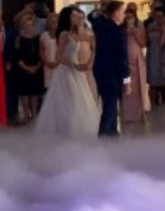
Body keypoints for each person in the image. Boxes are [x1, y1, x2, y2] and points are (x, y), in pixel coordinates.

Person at [35, 7, 100, 138]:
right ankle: (68, 130)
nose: (77, 18)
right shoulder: (64, 34)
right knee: (71, 101)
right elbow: (58, 57)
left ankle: (77, 129)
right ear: (67, 18)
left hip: (76, 71)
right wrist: (75, 65)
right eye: (74, 16)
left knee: (79, 100)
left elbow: (90, 38)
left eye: (77, 16)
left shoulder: (74, 33)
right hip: (66, 71)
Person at [92, 0, 130, 138]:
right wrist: (127, 80)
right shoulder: (118, 32)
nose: (124, 15)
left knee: (109, 103)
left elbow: (94, 18)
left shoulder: (99, 26)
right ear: (116, 13)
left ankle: (113, 133)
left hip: (99, 71)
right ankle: (103, 135)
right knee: (111, 105)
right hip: (113, 74)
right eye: (122, 11)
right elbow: (122, 58)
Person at [13, 14, 45, 122]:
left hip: (36, 68)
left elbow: (42, 54)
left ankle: (34, 114)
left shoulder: (39, 38)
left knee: (34, 93)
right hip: (23, 69)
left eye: (31, 25)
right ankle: (26, 114)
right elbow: (17, 56)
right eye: (26, 25)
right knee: (25, 93)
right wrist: (27, 68)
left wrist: (36, 67)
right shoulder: (18, 39)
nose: (29, 27)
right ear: (23, 26)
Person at [122, 7, 149, 122]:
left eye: (131, 16)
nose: (129, 19)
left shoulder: (140, 28)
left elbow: (143, 44)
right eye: (127, 16)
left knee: (138, 86)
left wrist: (135, 33)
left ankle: (138, 112)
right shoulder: (121, 29)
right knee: (127, 86)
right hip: (125, 60)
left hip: (137, 60)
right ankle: (127, 113)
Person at [145, 5, 165, 107]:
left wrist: (163, 32)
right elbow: (146, 42)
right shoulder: (150, 26)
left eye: (161, 16)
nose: (158, 18)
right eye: (156, 16)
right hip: (153, 54)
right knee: (152, 82)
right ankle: (153, 105)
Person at [40, 12, 59, 90]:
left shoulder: (62, 35)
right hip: (47, 65)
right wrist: (46, 62)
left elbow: (65, 52)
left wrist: (57, 63)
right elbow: (41, 51)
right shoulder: (44, 35)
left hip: (59, 65)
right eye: (52, 21)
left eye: (56, 21)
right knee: (49, 88)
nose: (54, 24)